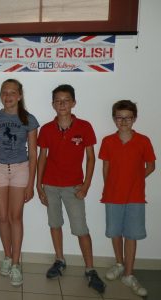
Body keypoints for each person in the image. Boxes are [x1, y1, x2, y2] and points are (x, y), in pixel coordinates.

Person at [36, 84, 105, 293]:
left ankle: (90, 269)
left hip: (74, 187)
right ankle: (59, 260)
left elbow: (91, 159)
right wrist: (38, 185)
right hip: (50, 185)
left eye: (66, 100)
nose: (62, 104)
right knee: (55, 224)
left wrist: (85, 186)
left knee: (80, 229)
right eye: (58, 101)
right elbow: (42, 158)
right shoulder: (47, 129)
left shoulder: (84, 127)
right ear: (53, 104)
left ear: (73, 103)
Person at [0, 79, 39, 286]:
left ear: (19, 95)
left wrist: (31, 183)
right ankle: (7, 256)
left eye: (12, 92)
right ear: (1, 95)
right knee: (2, 217)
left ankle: (16, 264)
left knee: (15, 217)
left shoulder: (29, 119)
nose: (8, 96)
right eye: (4, 92)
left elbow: (33, 153)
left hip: (20, 170)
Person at [99, 100, 156, 297]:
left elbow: (151, 165)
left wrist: (137, 178)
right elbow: (105, 167)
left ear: (134, 119)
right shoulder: (107, 141)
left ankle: (129, 274)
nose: (123, 121)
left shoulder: (143, 141)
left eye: (128, 117)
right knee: (115, 232)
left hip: (135, 197)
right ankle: (119, 264)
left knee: (131, 235)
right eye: (119, 117)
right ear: (114, 119)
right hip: (113, 196)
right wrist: (110, 186)